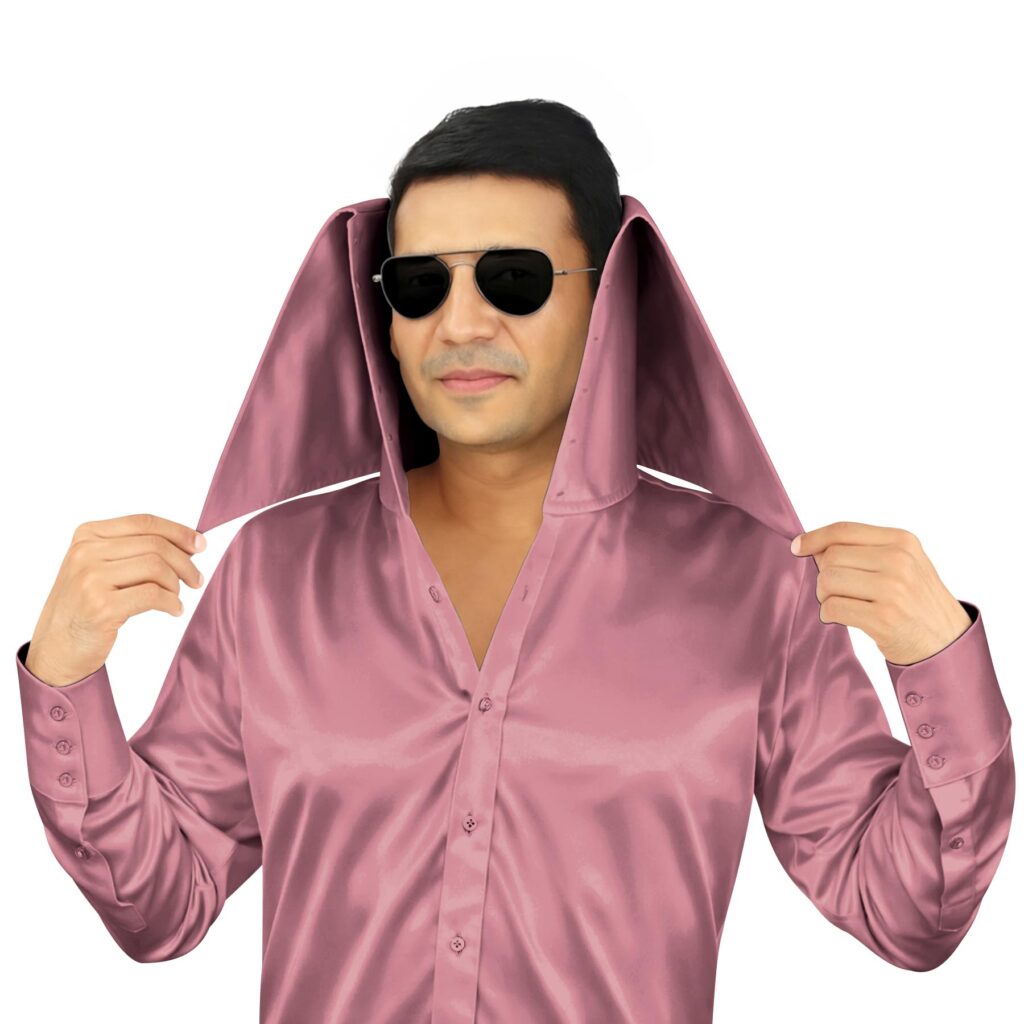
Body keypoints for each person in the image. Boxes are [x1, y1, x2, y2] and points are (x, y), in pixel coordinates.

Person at [15, 99, 1014, 1023]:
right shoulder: (272, 577)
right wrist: (66, 675)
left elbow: (905, 915)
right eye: (420, 286)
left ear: (608, 300)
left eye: (513, 279)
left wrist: (937, 662)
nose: (460, 324)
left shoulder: (756, 581)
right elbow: (161, 907)